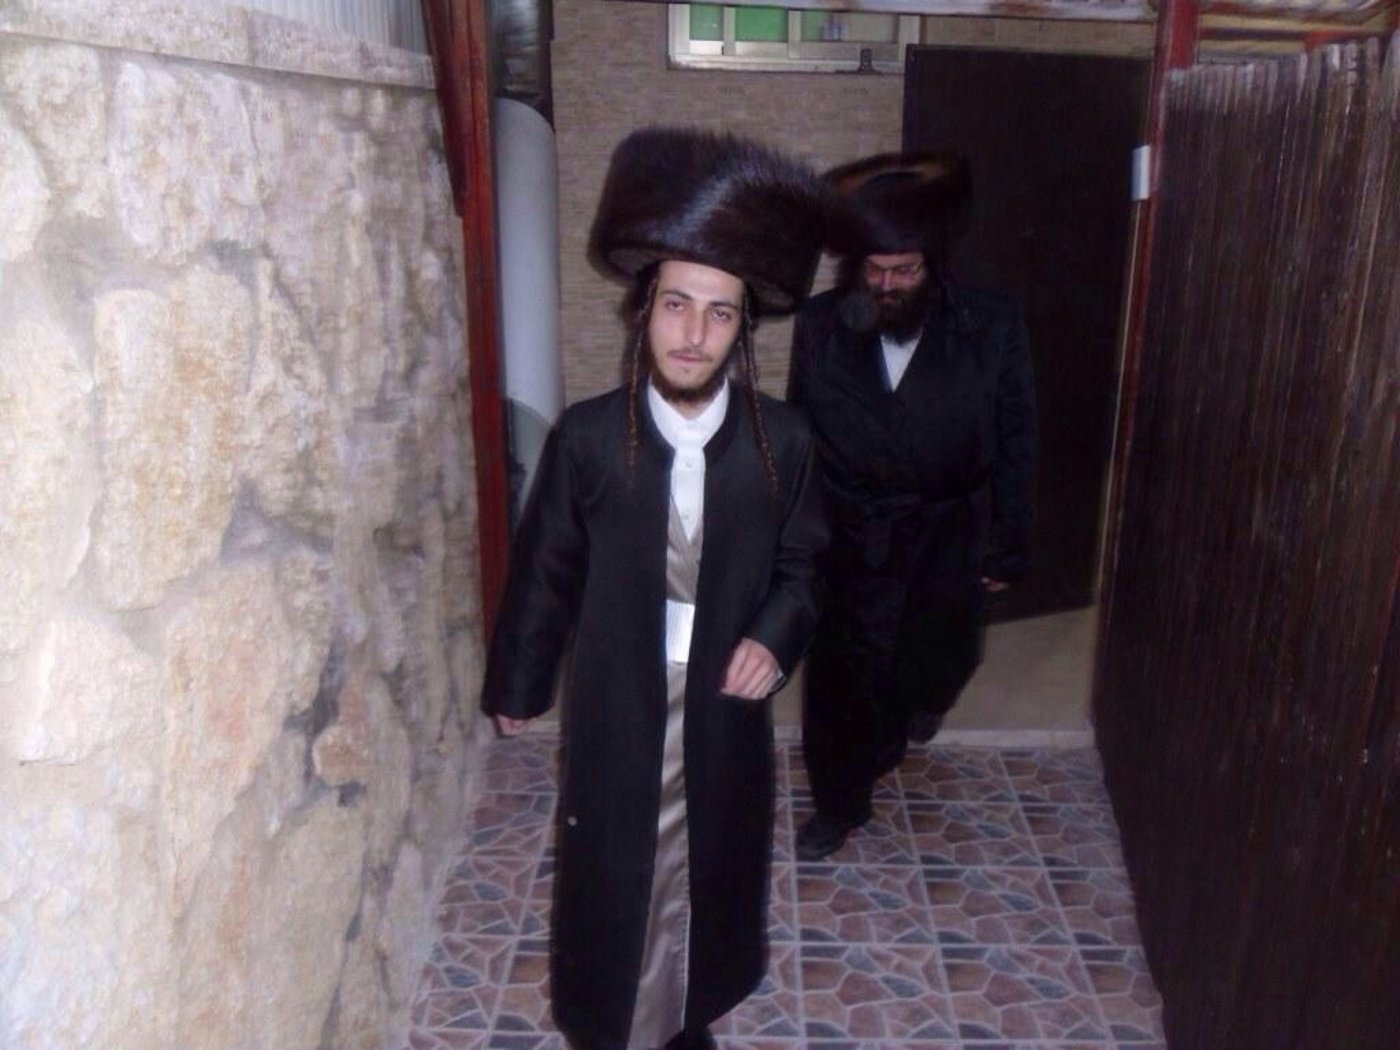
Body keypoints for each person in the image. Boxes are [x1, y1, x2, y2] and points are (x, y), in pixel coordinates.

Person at [481, 127, 829, 1050]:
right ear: (643, 312)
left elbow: (806, 564)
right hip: (618, 698)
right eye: (677, 305)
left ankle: (685, 1010)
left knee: (709, 859)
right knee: (615, 862)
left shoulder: (783, 444)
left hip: (722, 704)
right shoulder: (590, 440)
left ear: (742, 330)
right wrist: (520, 681)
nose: (694, 334)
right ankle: (615, 1018)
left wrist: (775, 636)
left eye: (719, 313)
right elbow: (547, 570)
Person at [788, 151, 1036, 861]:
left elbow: (1018, 437)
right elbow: (801, 431)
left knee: (937, 659)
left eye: (905, 271)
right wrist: (796, 541)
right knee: (841, 676)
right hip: (851, 530)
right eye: (875, 271)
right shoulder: (821, 323)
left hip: (947, 529)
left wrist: (1007, 544)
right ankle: (839, 802)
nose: (889, 285)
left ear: (933, 262)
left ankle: (912, 713)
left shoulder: (991, 324)